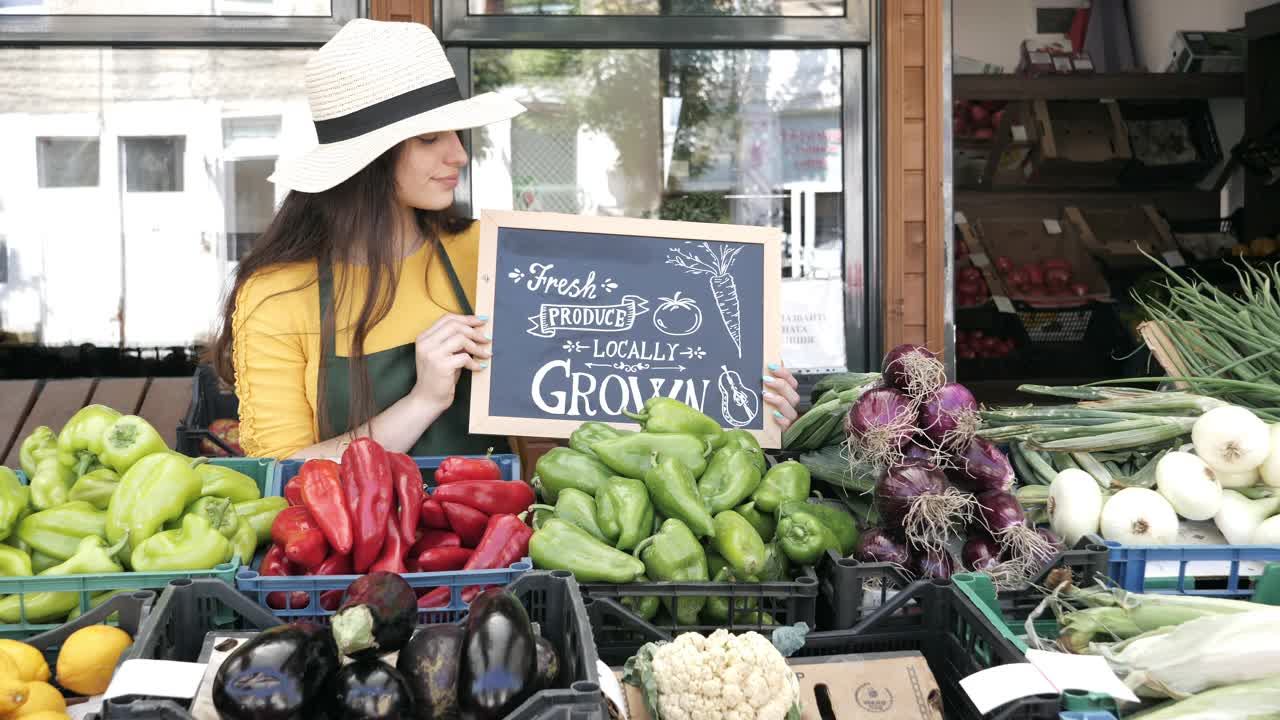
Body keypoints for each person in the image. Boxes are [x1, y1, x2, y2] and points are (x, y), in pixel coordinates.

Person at [210, 19, 800, 460]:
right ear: (369, 160)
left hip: (493, 554)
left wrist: (738, 401)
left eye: (457, 134)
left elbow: (599, 395)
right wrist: (422, 402)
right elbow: (281, 481)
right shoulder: (276, 295)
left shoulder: (491, 255)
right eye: (430, 139)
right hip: (342, 569)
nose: (458, 155)